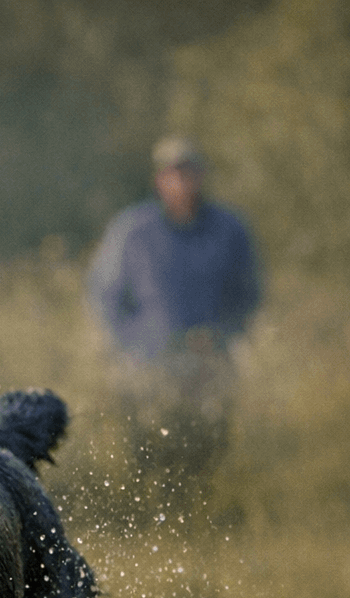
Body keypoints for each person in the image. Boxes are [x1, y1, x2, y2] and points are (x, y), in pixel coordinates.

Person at [86, 136, 262, 496]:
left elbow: (247, 295)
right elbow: (105, 297)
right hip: (149, 362)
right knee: (146, 450)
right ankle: (146, 502)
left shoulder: (229, 229)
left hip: (210, 358)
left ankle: (208, 505)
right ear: (160, 179)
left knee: (208, 449)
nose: (182, 182)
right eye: (173, 173)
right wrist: (134, 345)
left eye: (189, 172)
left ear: (202, 176)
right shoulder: (133, 230)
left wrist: (223, 334)